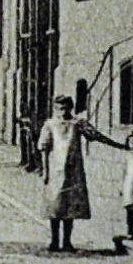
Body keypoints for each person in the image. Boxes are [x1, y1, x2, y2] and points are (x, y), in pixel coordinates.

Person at [36, 93, 120, 252]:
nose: (63, 111)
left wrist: (119, 145)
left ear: (71, 108)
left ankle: (67, 241)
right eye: (60, 108)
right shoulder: (50, 124)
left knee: (69, 206)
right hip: (55, 169)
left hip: (74, 170)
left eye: (66, 108)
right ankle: (54, 240)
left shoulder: (78, 123)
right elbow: (44, 148)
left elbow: (95, 136)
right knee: (55, 206)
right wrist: (45, 170)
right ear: (55, 109)